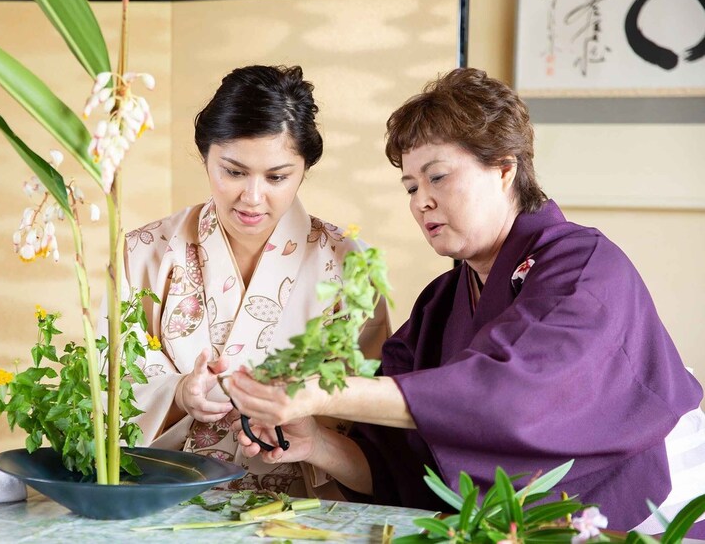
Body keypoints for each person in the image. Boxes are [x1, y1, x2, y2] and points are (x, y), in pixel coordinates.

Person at [226, 67, 705, 534]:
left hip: (647, 509)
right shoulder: (440, 301)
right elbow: (402, 471)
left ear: (503, 169)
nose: (420, 201)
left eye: (437, 177)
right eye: (411, 187)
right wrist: (318, 446)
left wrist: (323, 390)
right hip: (521, 526)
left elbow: (514, 395)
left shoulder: (584, 266)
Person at [118, 64, 390, 497]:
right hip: (163, 499)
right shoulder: (145, 252)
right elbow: (106, 387)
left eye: (277, 177)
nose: (253, 197)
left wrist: (309, 432)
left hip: (301, 514)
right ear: (205, 155)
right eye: (233, 171)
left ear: (304, 169)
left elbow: (373, 423)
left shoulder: (346, 264)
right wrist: (179, 393)